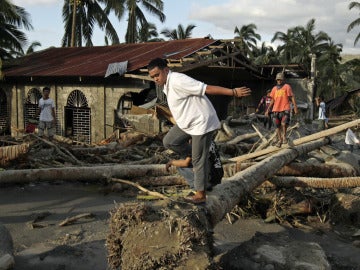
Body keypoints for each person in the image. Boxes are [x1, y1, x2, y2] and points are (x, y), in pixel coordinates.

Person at [148, 57, 251, 204]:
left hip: (201, 122)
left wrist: (233, 92)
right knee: (169, 141)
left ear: (166, 70)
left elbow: (206, 88)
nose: (155, 79)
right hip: (187, 124)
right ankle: (192, 157)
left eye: (157, 75)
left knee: (198, 159)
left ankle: (200, 194)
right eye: (152, 77)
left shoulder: (178, 80)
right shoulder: (166, 85)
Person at [265, 72, 298, 147]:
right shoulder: (274, 89)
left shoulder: (287, 87)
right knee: (277, 126)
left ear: (283, 80)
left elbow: (292, 97)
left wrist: (295, 107)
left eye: (280, 79)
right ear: (276, 80)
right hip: (275, 110)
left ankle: (284, 137)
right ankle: (280, 140)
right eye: (278, 80)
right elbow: (273, 100)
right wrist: (268, 109)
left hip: (285, 108)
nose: (279, 81)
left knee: (284, 123)